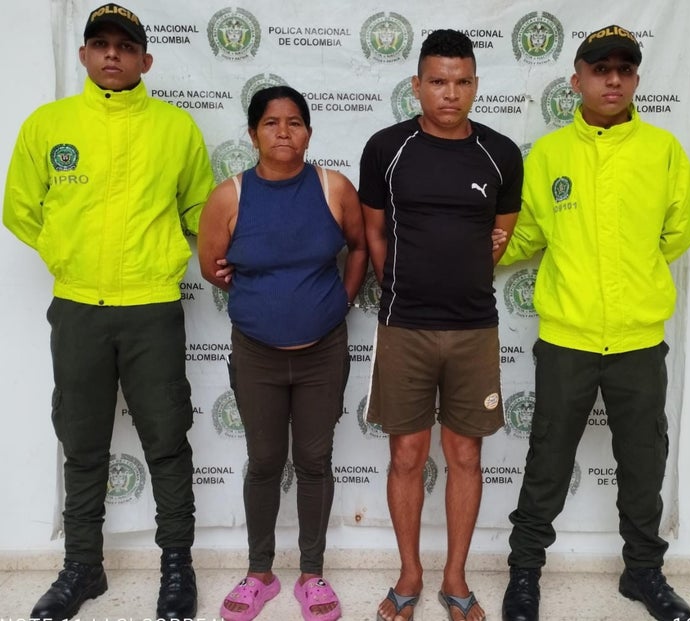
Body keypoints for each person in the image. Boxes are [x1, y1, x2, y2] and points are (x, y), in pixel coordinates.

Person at [2, 4, 215, 620]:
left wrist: (178, 253)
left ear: (146, 60)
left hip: (152, 308)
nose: (112, 54)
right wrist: (66, 256)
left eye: (125, 46)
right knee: (83, 442)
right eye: (101, 44)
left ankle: (177, 566)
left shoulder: (176, 128)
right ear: (84, 55)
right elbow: (20, 208)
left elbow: (199, 211)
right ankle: (82, 568)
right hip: (78, 310)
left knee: (167, 442)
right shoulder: (49, 125)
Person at [498, 25, 690, 621]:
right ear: (577, 79)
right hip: (568, 339)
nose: (613, 80)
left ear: (635, 79)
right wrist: (470, 250)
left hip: (638, 340)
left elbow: (679, 231)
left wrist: (631, 274)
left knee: (644, 462)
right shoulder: (550, 155)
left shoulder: (663, 150)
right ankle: (525, 574)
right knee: (547, 459)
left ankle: (644, 573)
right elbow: (529, 233)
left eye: (624, 70)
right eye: (600, 69)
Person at [359, 29, 523, 621]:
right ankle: (410, 574)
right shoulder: (386, 148)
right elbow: (375, 235)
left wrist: (459, 276)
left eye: (461, 82)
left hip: (474, 328)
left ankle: (455, 578)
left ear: (475, 85)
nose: (449, 93)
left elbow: (498, 237)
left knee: (466, 456)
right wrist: (407, 287)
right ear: (417, 85)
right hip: (404, 325)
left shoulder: (501, 153)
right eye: (437, 81)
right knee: (406, 455)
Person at [198, 85, 367, 621]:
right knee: (265, 461)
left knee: (315, 462)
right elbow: (211, 267)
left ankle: (312, 575)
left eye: (294, 122)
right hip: (257, 355)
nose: (283, 132)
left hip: (323, 353)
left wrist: (339, 301)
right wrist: (263, 301)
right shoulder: (229, 197)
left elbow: (360, 247)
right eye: (271, 123)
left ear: (309, 133)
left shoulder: (334, 188)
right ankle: (260, 574)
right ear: (253, 134)